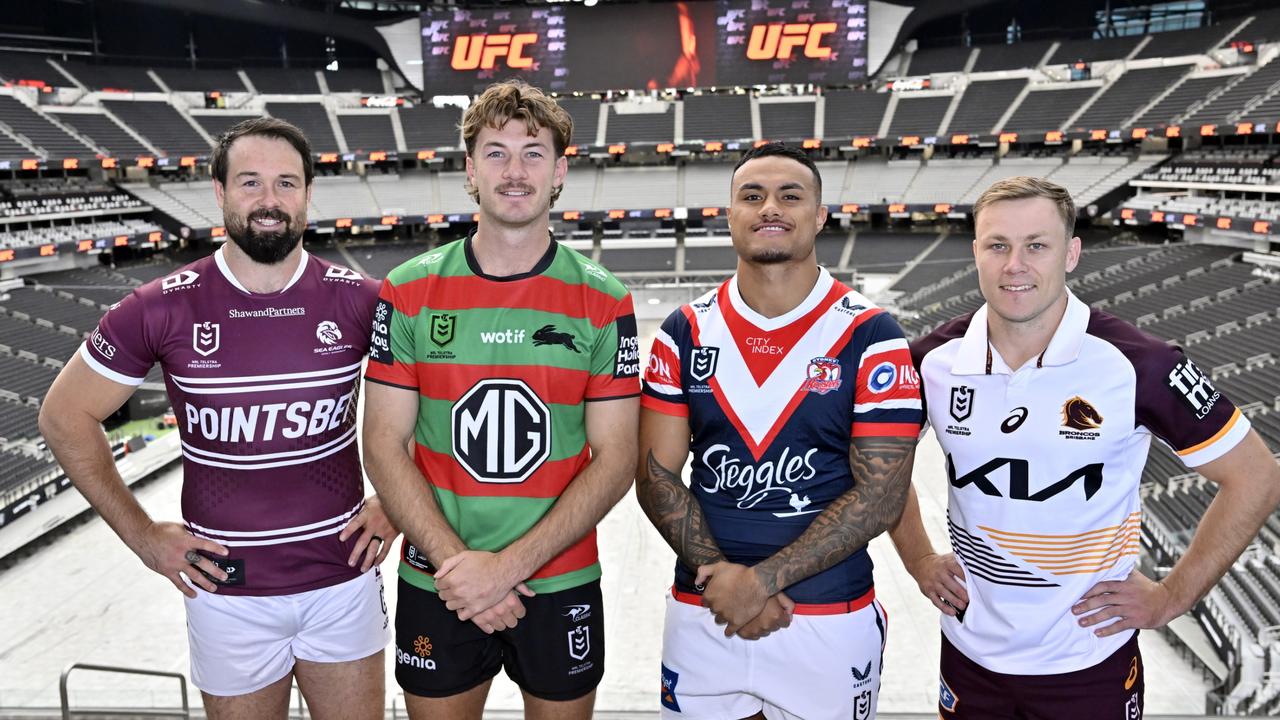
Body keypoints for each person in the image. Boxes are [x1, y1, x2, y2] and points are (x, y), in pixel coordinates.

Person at [38, 118, 396, 719]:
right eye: (250, 182)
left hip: (342, 580)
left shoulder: (362, 300)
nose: (269, 200)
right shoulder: (159, 306)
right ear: (220, 192)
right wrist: (144, 538)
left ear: (309, 193)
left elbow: (441, 398)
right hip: (226, 593)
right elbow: (63, 415)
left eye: (286, 183)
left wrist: (395, 503)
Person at [893, 175, 1280, 719]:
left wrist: (1173, 596)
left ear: (1071, 253)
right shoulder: (931, 360)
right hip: (968, 654)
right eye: (998, 245)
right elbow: (879, 467)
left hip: (1089, 662)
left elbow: (1257, 476)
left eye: (1037, 245)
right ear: (975, 251)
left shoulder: (1141, 364)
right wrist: (918, 559)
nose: (1015, 265)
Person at [361, 80, 639, 720]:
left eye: (534, 153)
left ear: (561, 170)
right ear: (469, 169)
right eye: (496, 152)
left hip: (560, 579)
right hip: (440, 579)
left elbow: (617, 456)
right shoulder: (408, 290)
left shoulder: (605, 299)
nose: (515, 172)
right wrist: (462, 568)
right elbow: (382, 442)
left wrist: (507, 567)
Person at [636, 142, 921, 720]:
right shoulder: (684, 330)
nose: (771, 207)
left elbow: (882, 495)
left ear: (819, 215)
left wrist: (761, 582)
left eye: (790, 196)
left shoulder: (872, 333)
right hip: (704, 610)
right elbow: (655, 476)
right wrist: (725, 581)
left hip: (827, 618)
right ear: (730, 214)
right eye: (752, 196)